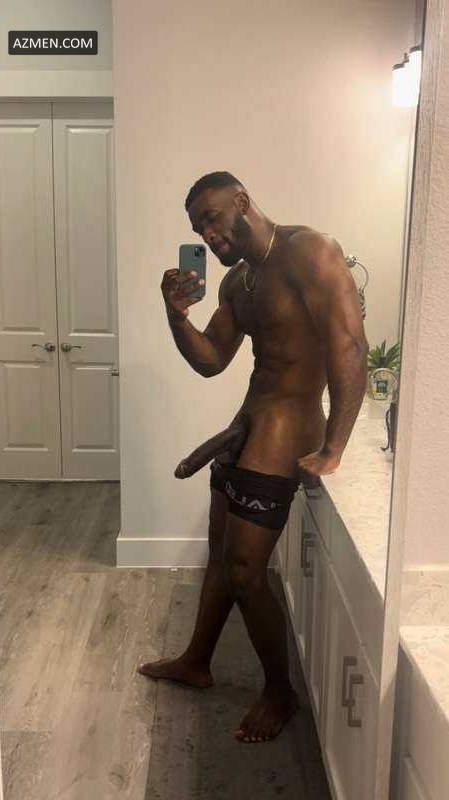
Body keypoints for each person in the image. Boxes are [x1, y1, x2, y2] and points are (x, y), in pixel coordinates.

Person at [137, 171, 369, 744]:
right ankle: (197, 660)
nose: (208, 235)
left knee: (244, 572)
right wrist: (176, 315)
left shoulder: (309, 251)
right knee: (220, 553)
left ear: (241, 201)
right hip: (245, 428)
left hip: (287, 432)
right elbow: (211, 359)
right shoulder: (238, 282)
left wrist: (334, 446)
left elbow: (349, 343)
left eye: (212, 219)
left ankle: (279, 691)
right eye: (198, 229)